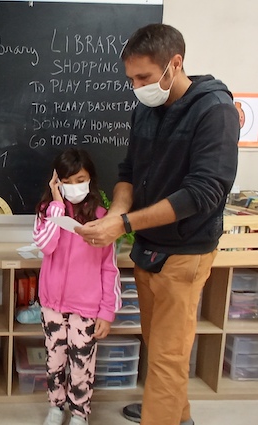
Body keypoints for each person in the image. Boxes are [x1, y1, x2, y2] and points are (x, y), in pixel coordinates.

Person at [75, 24, 239, 425]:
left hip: (185, 252)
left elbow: (202, 193)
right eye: (131, 79)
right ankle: (176, 415)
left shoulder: (214, 111)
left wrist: (125, 223)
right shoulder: (146, 110)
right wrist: (117, 214)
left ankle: (161, 414)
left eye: (144, 77)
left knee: (167, 355)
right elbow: (128, 173)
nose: (137, 87)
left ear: (174, 63)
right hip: (148, 248)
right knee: (162, 346)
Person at [33, 148, 121, 425]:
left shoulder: (102, 217)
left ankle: (80, 413)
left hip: (87, 305)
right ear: (56, 182)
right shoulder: (47, 211)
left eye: (80, 180)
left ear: (90, 179)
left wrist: (107, 311)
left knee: (82, 363)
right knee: (54, 360)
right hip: (52, 303)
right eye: (67, 181)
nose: (74, 187)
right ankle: (56, 406)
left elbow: (109, 267)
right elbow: (45, 246)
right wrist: (57, 205)